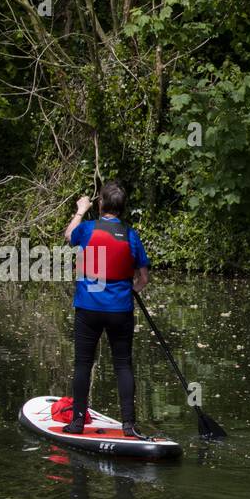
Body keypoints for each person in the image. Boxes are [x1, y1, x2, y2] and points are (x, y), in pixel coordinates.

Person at [61, 181, 152, 438]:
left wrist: (80, 210)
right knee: (123, 365)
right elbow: (143, 279)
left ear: (100, 203)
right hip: (120, 311)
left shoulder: (87, 228)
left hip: (88, 308)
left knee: (83, 364)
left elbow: (69, 236)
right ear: (122, 208)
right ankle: (129, 425)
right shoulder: (132, 235)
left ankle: (77, 422)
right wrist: (129, 291)